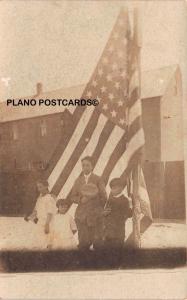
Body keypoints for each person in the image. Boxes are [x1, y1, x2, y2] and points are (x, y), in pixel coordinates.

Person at [69, 156, 107, 251]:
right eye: (83, 165)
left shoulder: (98, 179)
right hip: (81, 216)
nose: (85, 167)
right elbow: (72, 197)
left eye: (87, 165)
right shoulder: (78, 181)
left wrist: (95, 205)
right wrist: (80, 200)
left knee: (98, 243)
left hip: (95, 216)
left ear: (92, 166)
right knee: (83, 243)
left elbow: (104, 197)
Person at [26, 179, 56, 249]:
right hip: (40, 223)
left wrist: (47, 225)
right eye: (38, 187)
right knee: (40, 243)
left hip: (47, 222)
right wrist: (30, 217)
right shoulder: (39, 198)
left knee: (48, 243)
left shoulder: (49, 198)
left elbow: (50, 212)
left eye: (40, 187)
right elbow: (36, 210)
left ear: (46, 186)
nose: (39, 189)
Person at [103, 177, 132, 249]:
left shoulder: (125, 200)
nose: (113, 190)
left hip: (118, 230)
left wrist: (130, 205)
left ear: (121, 188)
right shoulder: (110, 199)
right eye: (112, 188)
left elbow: (129, 214)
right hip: (108, 230)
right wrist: (104, 213)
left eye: (115, 188)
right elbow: (106, 212)